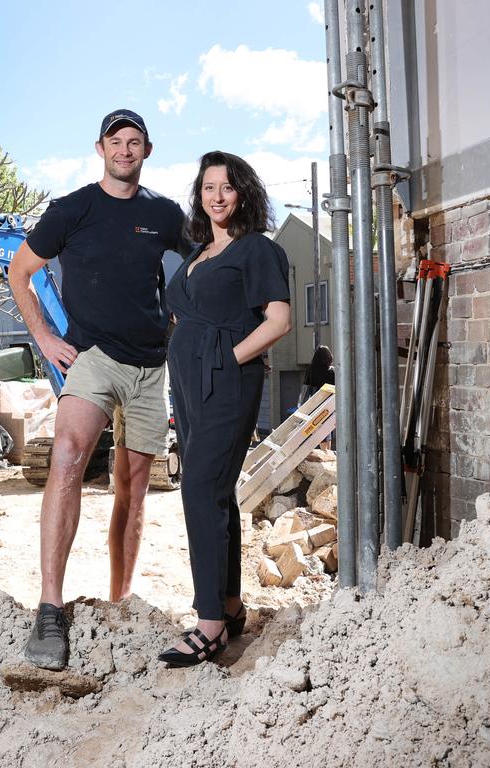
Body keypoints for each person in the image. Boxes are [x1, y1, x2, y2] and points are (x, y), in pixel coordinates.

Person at [8, 109, 188, 671]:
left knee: (133, 485)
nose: (125, 151)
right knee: (66, 455)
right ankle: (49, 607)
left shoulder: (164, 213)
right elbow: (20, 272)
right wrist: (44, 336)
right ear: (100, 148)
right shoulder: (71, 210)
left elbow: (200, 263)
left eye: (135, 143)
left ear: (147, 150)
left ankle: (119, 600)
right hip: (91, 358)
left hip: (149, 366)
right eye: (117, 142)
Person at [157, 151, 291, 667]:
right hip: (189, 386)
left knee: (198, 489)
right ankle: (230, 605)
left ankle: (209, 624)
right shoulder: (197, 256)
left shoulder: (256, 249)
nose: (217, 196)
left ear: (244, 194)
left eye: (227, 187)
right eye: (208, 187)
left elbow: (278, 321)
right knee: (213, 491)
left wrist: (226, 358)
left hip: (227, 380)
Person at [305, 345, 335, 449]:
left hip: (314, 403)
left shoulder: (310, 369)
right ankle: (327, 452)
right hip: (328, 403)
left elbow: (306, 387)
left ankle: (323, 451)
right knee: (327, 427)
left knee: (318, 426)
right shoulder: (332, 371)